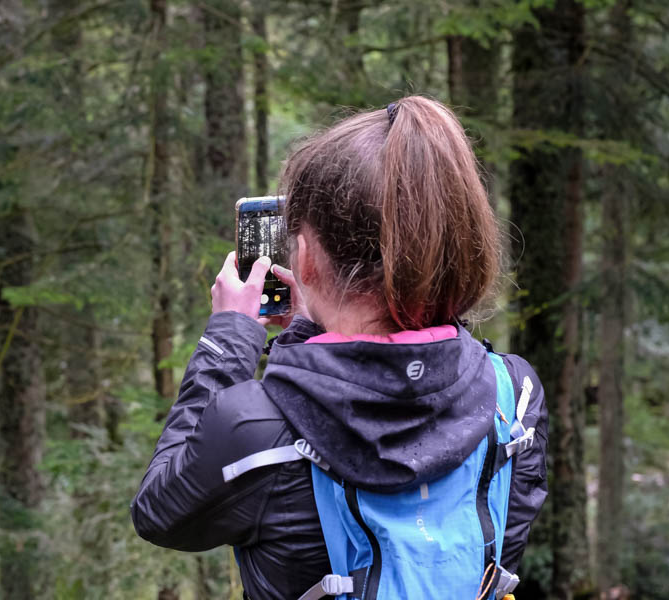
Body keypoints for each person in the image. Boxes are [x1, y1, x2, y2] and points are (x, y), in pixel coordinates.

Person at [131, 96, 548, 600]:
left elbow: (160, 511)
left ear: (303, 259)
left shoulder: (257, 427)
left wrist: (228, 338)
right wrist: (310, 335)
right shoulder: (514, 395)